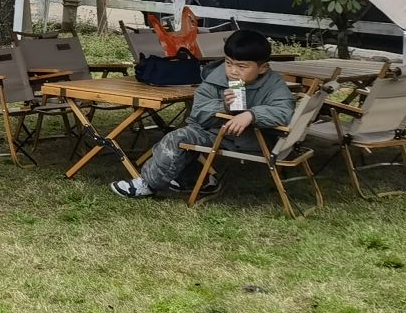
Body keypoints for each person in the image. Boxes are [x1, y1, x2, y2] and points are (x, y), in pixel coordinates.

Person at [111, 28, 293, 199]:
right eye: (229, 63)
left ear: (263, 68)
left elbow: (285, 111)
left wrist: (252, 115)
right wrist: (223, 106)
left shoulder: (273, 84)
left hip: (255, 138)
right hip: (216, 133)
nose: (233, 71)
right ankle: (186, 180)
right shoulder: (216, 79)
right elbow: (197, 112)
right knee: (177, 138)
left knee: (177, 140)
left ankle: (150, 184)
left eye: (242, 66)